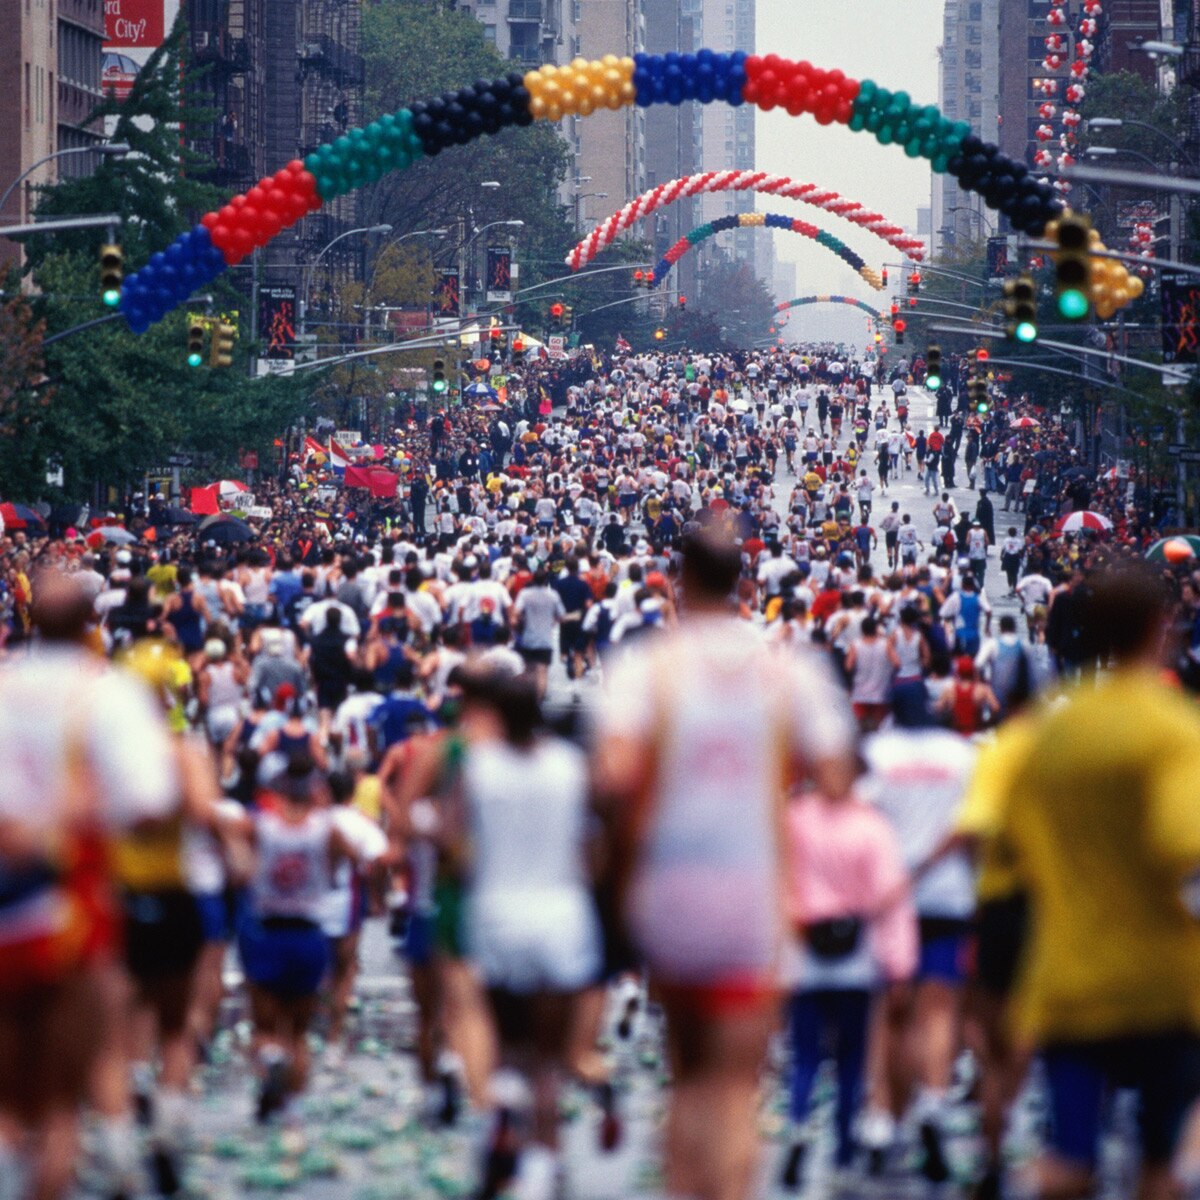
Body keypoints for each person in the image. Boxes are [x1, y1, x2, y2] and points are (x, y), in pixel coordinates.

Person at [595, 525, 856, 1200]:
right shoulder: (786, 671)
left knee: (687, 1078)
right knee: (737, 1088)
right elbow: (835, 776)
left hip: (668, 888)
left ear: (680, 583)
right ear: (745, 584)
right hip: (752, 894)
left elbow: (613, 775)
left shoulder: (647, 668)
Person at [994, 565, 1200, 1200]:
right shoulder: (1172, 729)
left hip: (1067, 977)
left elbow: (1010, 843)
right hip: (1162, 985)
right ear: (1155, 629)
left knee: (1069, 1158)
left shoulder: (1051, 730)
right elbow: (1183, 845)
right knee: (1161, 1167)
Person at [0, 574, 177, 1200]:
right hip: (65, 908)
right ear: (89, 631)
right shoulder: (102, 696)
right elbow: (150, 799)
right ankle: (105, 1145)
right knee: (61, 1097)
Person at [456, 673, 602, 1200]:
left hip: (497, 917)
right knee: (548, 1057)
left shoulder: (479, 768)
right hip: (561, 918)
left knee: (508, 1046)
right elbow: (592, 842)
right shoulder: (569, 766)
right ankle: (542, 1167)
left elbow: (454, 842)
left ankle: (503, 1111)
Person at [778, 777, 916, 1191]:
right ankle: (841, 1155)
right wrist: (899, 965)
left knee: (803, 1056)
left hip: (805, 954)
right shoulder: (872, 827)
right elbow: (890, 897)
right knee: (850, 1062)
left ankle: (798, 1129)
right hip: (856, 956)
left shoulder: (795, 819)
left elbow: (778, 882)